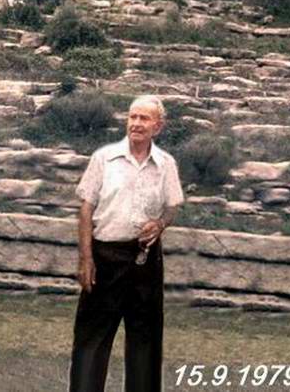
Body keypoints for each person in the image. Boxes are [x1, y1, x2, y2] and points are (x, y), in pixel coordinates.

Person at [68, 94, 184, 392]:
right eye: (133, 117)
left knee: (145, 340)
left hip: (146, 261)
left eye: (144, 118)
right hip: (105, 257)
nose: (136, 123)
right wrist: (85, 259)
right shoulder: (104, 158)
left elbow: (172, 206)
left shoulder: (166, 164)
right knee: (91, 339)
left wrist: (161, 223)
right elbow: (85, 209)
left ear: (158, 126)